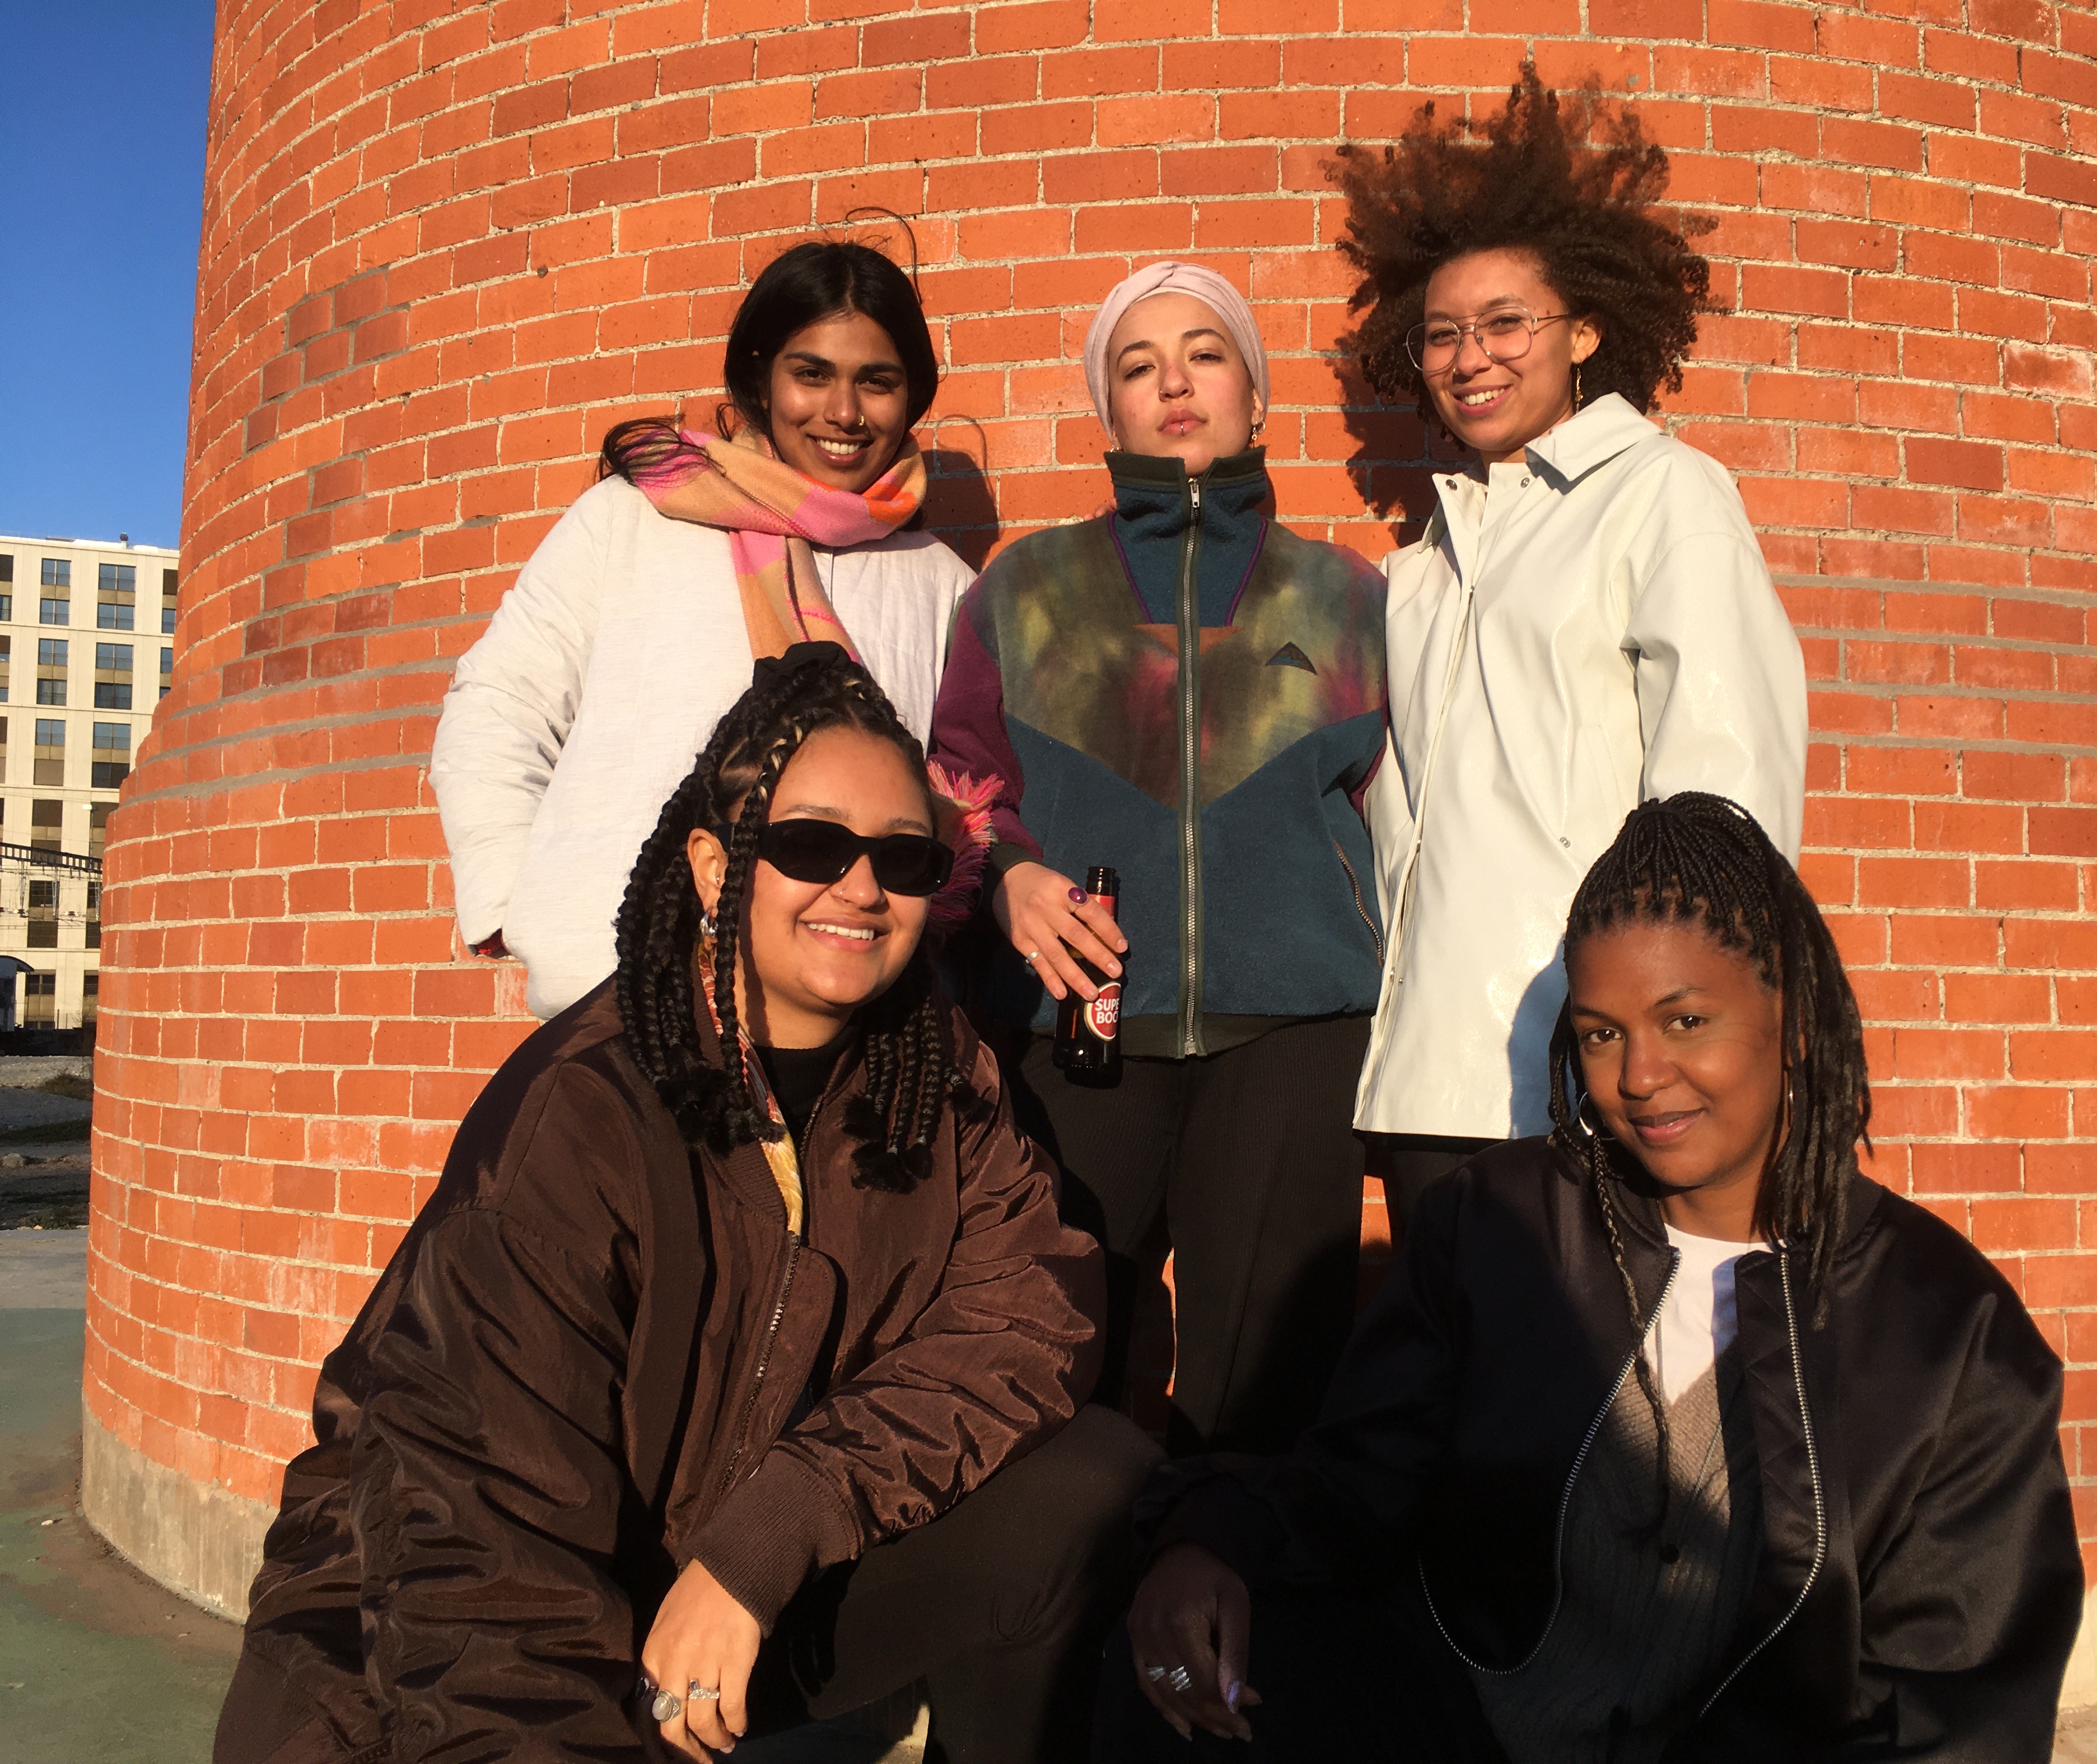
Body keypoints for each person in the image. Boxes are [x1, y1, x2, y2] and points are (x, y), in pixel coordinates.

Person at [217, 646, 1158, 1764]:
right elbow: (473, 1555)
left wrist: (777, 1527)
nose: (862, 889)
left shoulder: (936, 1076)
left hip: (715, 1580)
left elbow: (1032, 1317)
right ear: (716, 868)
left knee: (1087, 1486)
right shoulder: (581, 1116)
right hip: (418, 1654)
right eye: (811, 846)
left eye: (906, 860)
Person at [1108, 792, 2084, 1763]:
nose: (1640, 1076)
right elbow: (1352, 1486)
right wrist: (1205, 1543)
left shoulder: (1954, 1338)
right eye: (1602, 1033)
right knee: (1173, 1681)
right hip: (1459, 1734)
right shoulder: (1497, 1227)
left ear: (1791, 1015)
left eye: (1685, 1020)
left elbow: (1953, 1718)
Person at [1333, 68, 1811, 1234]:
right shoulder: (1420, 568)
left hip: (1592, 1072)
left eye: (1507, 323)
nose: (1471, 358)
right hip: (1426, 1080)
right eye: (1442, 334)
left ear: (1585, 330)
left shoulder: (1663, 496)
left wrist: (1676, 1040)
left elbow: (1727, 796)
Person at [928, 261, 1388, 1456]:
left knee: (1270, 1402)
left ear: (1255, 397)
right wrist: (1009, 873)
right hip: (1076, 1031)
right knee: (1054, 1370)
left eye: (1205, 354)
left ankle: (1239, 1587)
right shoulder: (1024, 590)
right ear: (1110, 413)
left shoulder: (1348, 599)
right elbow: (957, 783)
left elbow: (1401, 811)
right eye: (1139, 366)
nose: (1174, 382)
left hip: (1295, 1037)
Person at [432, 237, 975, 1020]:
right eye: (811, 373)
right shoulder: (630, 521)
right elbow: (498, 704)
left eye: (877, 382)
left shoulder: (938, 584)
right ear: (761, 377)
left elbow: (962, 802)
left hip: (840, 1026)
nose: (845, 412)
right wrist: (515, 902)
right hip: (613, 994)